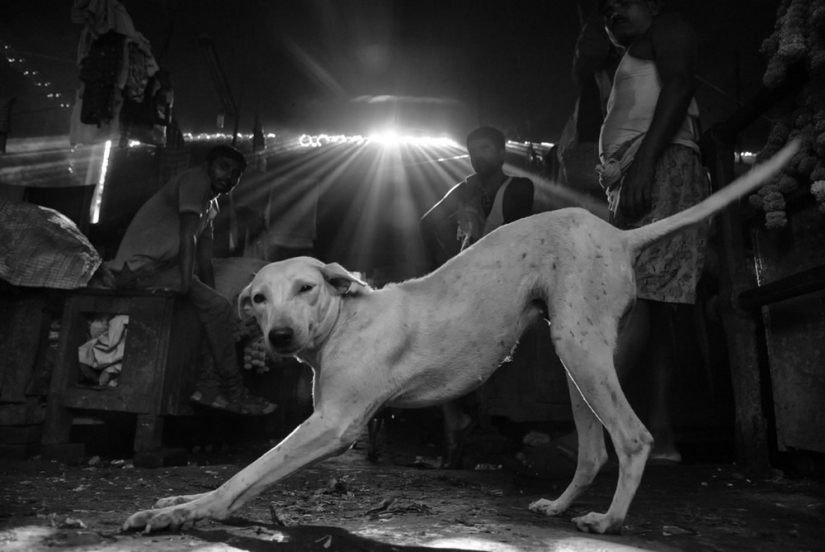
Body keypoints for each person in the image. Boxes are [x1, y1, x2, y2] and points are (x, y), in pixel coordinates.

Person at [596, 0, 709, 463]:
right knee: (655, 304)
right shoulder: (630, 54)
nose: (612, 10)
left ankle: (599, 433)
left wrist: (644, 166)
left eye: (623, 1)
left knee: (634, 296)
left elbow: (680, 84)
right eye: (606, 9)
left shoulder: (670, 25)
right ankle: (658, 437)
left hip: (659, 165)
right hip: (644, 170)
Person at [107, 145, 276, 416]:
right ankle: (233, 392)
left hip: (158, 270)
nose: (229, 177)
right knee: (218, 307)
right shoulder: (195, 181)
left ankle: (208, 385)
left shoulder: (212, 203)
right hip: (138, 271)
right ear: (207, 166)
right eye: (223, 167)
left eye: (236, 174)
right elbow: (189, 236)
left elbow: (204, 257)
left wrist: (212, 295)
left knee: (219, 308)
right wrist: (187, 285)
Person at [419, 126, 534, 467]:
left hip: (508, 284)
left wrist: (471, 209)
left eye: (486, 150)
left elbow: (513, 236)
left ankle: (479, 423)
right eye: (473, 151)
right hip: (469, 286)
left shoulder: (519, 187)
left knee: (490, 355)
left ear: (501, 155)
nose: (478, 157)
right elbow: (427, 223)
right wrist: (441, 263)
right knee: (440, 343)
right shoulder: (465, 188)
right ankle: (459, 417)